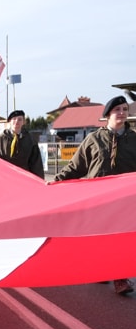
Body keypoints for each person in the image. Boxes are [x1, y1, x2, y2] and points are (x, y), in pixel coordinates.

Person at [52, 95, 136, 295]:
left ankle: (120, 278)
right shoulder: (94, 139)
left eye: (125, 109)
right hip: (98, 199)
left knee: (121, 238)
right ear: (107, 115)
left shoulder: (134, 139)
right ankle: (101, 269)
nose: (122, 113)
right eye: (118, 110)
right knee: (100, 238)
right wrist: (55, 181)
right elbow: (76, 167)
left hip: (125, 200)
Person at [0, 109, 43, 178]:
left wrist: (39, 180)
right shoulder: (1, 139)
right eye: (14, 119)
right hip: (5, 176)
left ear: (23, 122)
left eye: (20, 119)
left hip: (24, 176)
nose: (16, 121)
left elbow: (36, 163)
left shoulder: (30, 139)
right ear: (10, 122)